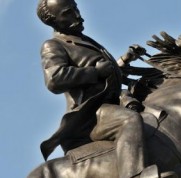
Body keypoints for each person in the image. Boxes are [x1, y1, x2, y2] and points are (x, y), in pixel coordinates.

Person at [36, 0, 156, 177]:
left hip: (114, 102)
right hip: (91, 114)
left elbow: (107, 73)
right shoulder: (53, 45)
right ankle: (135, 175)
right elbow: (54, 78)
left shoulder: (84, 40)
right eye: (68, 13)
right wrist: (95, 72)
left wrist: (124, 60)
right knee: (128, 120)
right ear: (53, 20)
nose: (77, 15)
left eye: (76, 9)